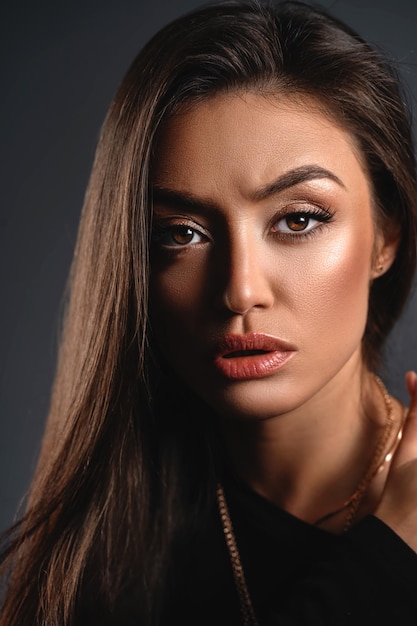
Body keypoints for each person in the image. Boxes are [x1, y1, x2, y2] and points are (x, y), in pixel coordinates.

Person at [1, 1, 417, 624]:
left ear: (387, 238)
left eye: (298, 220)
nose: (239, 290)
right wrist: (390, 557)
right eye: (183, 233)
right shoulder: (98, 558)